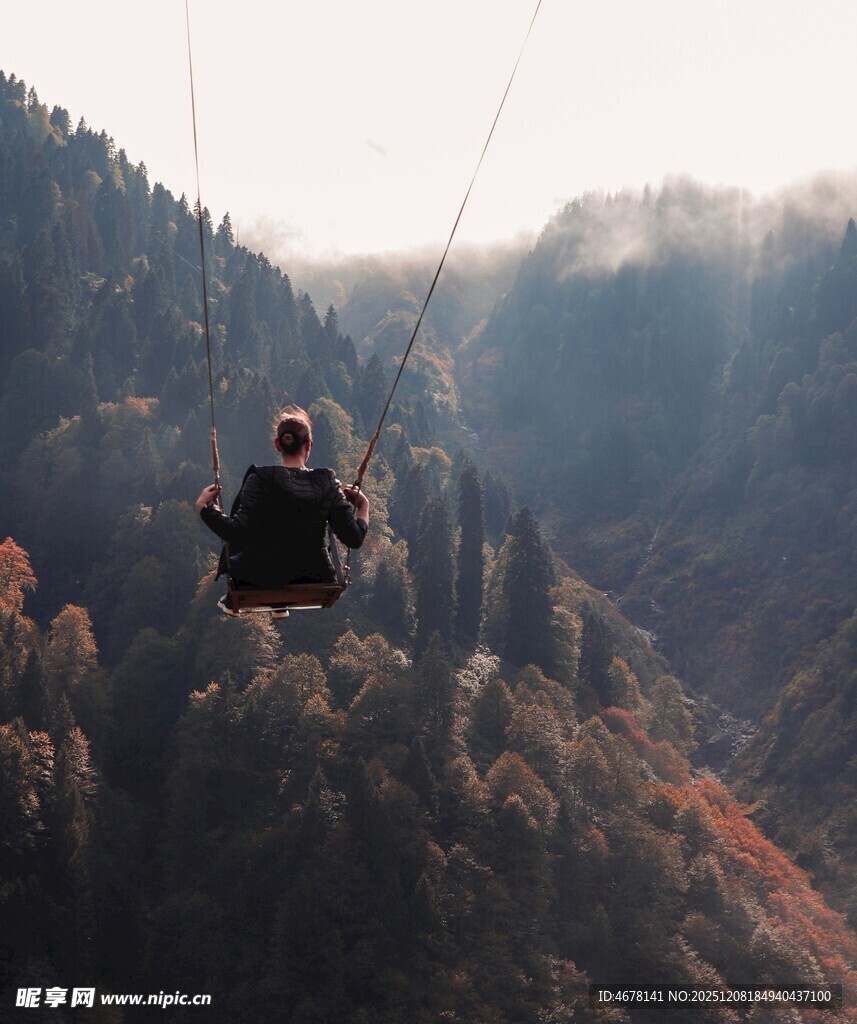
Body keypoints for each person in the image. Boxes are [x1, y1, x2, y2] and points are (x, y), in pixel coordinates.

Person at [196, 405, 369, 588]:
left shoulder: (260, 479)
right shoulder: (327, 482)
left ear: (277, 444)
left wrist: (205, 508)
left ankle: (277, 603)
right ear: (308, 444)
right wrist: (363, 505)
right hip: (315, 579)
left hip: (258, 579)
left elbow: (237, 533)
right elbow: (353, 538)